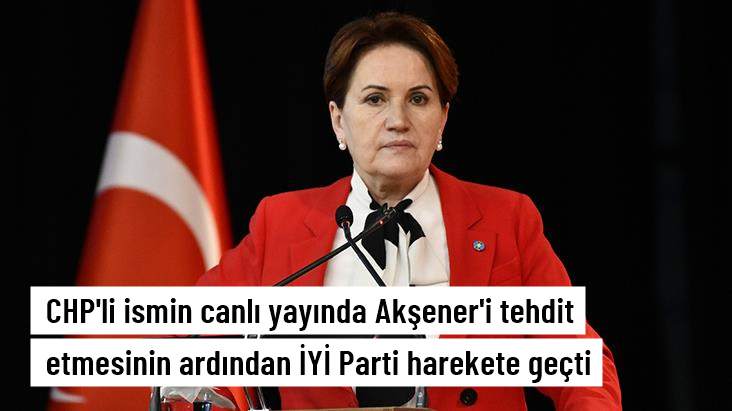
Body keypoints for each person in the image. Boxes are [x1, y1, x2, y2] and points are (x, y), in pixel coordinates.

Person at [197, 11, 622, 410]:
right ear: (338, 120)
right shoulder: (282, 222)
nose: (397, 119)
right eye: (375, 99)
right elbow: (189, 338)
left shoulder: (506, 219)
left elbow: (580, 366)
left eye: (418, 99)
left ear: (443, 118)